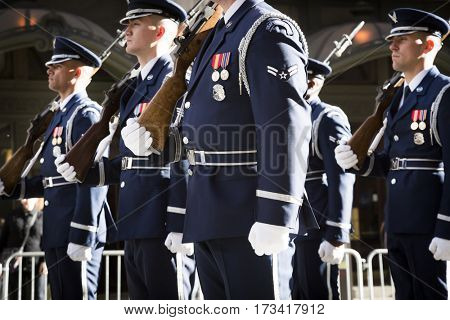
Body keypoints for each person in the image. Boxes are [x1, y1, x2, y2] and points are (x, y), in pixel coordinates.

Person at [121, 0, 313, 299]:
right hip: (207, 211)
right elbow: (201, 132)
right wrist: (157, 144)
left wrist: (277, 212)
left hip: (250, 212)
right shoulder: (217, 33)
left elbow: (284, 126)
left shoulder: (266, 28)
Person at [55, 0, 195, 299]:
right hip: (133, 220)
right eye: (126, 24)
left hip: (163, 222)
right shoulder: (134, 86)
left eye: (135, 23)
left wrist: (180, 218)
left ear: (159, 32)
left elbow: (186, 150)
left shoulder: (175, 79)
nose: (126, 30)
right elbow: (129, 162)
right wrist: (88, 172)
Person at [335, 8, 450, 299]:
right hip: (397, 219)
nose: (392, 46)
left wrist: (447, 226)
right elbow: (391, 163)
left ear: (429, 45)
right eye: (391, 40)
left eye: (403, 39)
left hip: (427, 219)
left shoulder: (443, 93)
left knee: (430, 298)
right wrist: (360, 162)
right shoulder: (398, 97)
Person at [0, 37, 109, 299]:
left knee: (79, 303)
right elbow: (52, 179)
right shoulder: (59, 116)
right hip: (56, 228)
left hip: (75, 227)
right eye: (50, 65)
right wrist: (15, 187)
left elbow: (93, 178)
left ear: (78, 72)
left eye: (58, 65)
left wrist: (83, 233)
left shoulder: (86, 115)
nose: (49, 69)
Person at [293, 59, 355, 300]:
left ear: (311, 83)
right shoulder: (287, 116)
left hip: (317, 224)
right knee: (296, 296)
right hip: (293, 225)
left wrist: (337, 234)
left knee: (319, 297)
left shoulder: (328, 117)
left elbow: (342, 177)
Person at [0, 198, 47, 300]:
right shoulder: (12, 216)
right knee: (14, 297)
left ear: (37, 199)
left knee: (38, 297)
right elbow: (2, 242)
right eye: (24, 198)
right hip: (14, 266)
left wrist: (45, 262)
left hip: (36, 266)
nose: (26, 201)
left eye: (30, 198)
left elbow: (47, 243)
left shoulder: (43, 217)